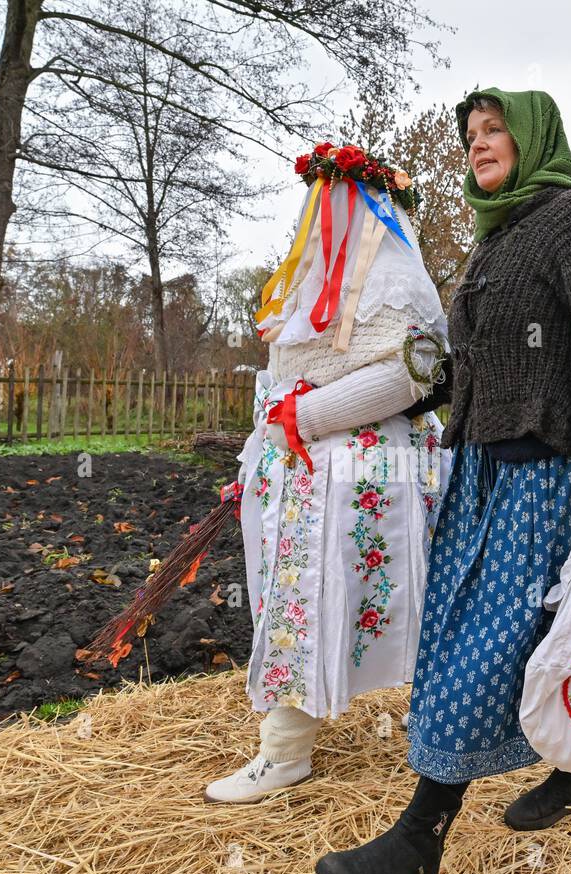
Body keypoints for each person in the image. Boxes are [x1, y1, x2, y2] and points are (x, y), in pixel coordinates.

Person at [315, 89, 571, 874]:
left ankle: (417, 845)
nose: (478, 144)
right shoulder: (497, 239)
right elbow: (461, 367)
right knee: (537, 637)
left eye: (494, 129)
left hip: (559, 476)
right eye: (470, 134)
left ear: (534, 135)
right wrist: (331, 400)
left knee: (487, 645)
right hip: (487, 474)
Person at [204, 143, 452, 803]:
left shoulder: (392, 273)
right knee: (298, 598)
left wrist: (308, 415)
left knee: (324, 595)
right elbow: (287, 376)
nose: (319, 215)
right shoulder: (314, 278)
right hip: (305, 475)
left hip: (357, 475)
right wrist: (263, 444)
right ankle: (292, 743)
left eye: (331, 200)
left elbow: (415, 372)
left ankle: (289, 750)